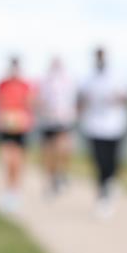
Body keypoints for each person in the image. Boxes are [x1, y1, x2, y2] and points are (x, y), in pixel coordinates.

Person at [79, 48, 127, 218]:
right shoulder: (88, 79)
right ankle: (102, 196)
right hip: (94, 126)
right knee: (99, 162)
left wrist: (115, 99)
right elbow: (82, 100)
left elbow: (126, 97)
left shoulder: (117, 76)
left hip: (114, 126)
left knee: (112, 161)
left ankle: (111, 183)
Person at [0, 57, 35, 213]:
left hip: (20, 126)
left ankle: (14, 191)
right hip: (5, 125)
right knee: (6, 159)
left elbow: (30, 105)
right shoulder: (2, 84)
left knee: (17, 161)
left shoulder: (25, 85)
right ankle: (7, 189)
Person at [37, 57, 78, 195]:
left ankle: (61, 173)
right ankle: (51, 179)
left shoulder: (68, 80)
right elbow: (39, 100)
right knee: (49, 153)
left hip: (63, 120)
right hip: (48, 121)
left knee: (63, 148)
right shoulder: (45, 81)